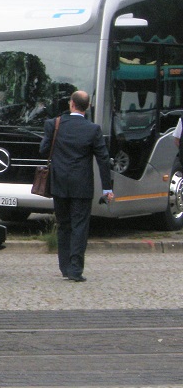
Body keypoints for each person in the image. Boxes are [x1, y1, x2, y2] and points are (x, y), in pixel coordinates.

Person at [39, 90, 114, 282]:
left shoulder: (53, 125)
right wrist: (107, 188)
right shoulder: (93, 129)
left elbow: (43, 150)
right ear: (87, 107)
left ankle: (64, 267)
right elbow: (103, 159)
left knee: (63, 225)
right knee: (80, 226)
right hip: (82, 185)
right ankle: (75, 269)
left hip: (59, 183)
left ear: (71, 104)